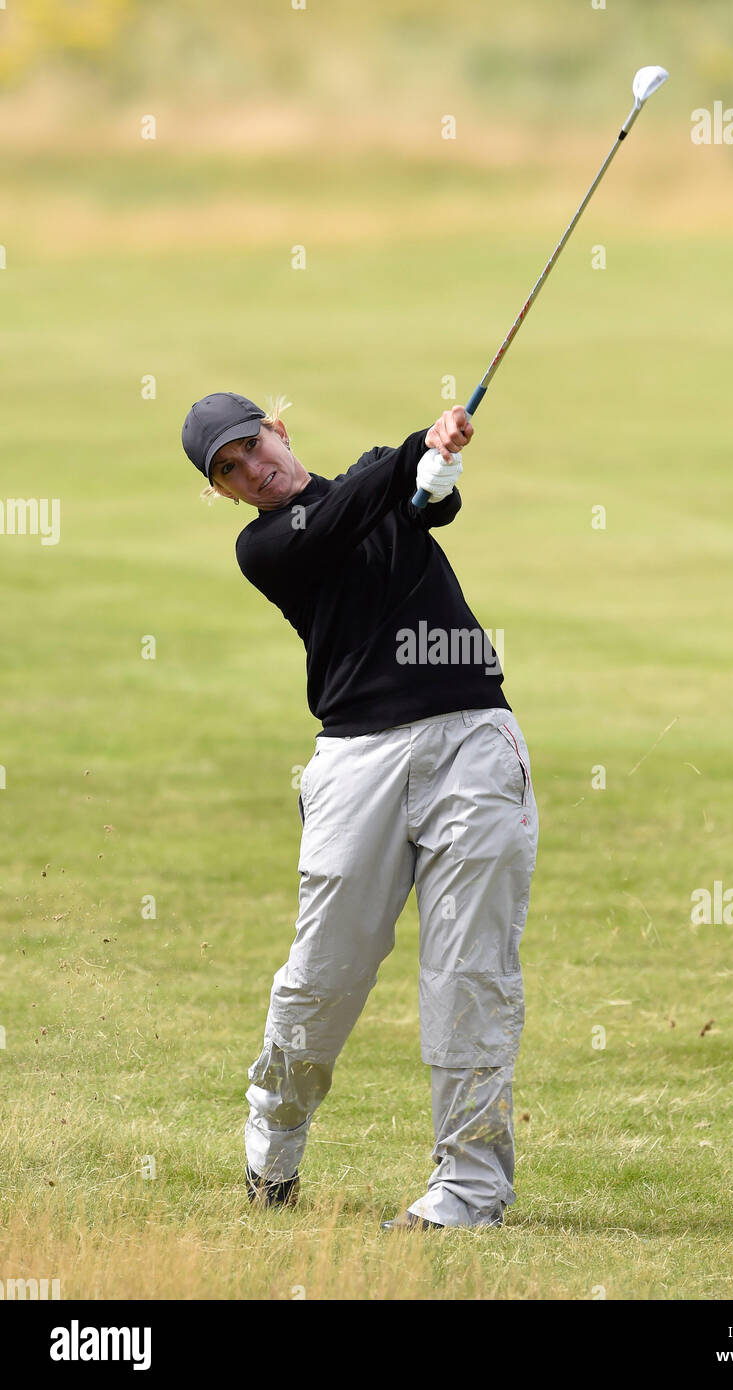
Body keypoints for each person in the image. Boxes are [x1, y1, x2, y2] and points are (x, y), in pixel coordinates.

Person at [181, 390, 539, 1230]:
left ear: (279, 426)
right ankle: (277, 1127)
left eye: (251, 445)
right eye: (228, 472)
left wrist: (436, 469)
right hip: (356, 761)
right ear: (224, 494)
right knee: (325, 978)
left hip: (473, 741)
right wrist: (415, 447)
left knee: (471, 973)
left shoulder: (375, 494)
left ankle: (469, 1188)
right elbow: (348, 511)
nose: (252, 471)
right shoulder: (267, 546)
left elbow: (423, 504)